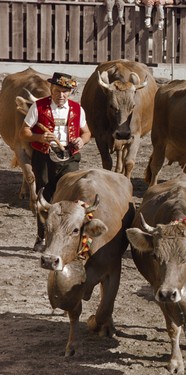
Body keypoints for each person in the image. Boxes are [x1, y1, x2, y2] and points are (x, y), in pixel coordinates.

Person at [21, 72, 92, 252]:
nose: (61, 95)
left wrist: (82, 141)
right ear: (51, 89)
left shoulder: (78, 109)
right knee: (44, 195)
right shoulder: (38, 107)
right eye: (58, 90)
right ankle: (41, 236)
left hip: (69, 157)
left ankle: (66, 238)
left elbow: (87, 132)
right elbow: (24, 133)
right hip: (44, 156)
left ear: (70, 92)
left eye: (65, 92)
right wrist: (40, 136)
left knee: (69, 197)